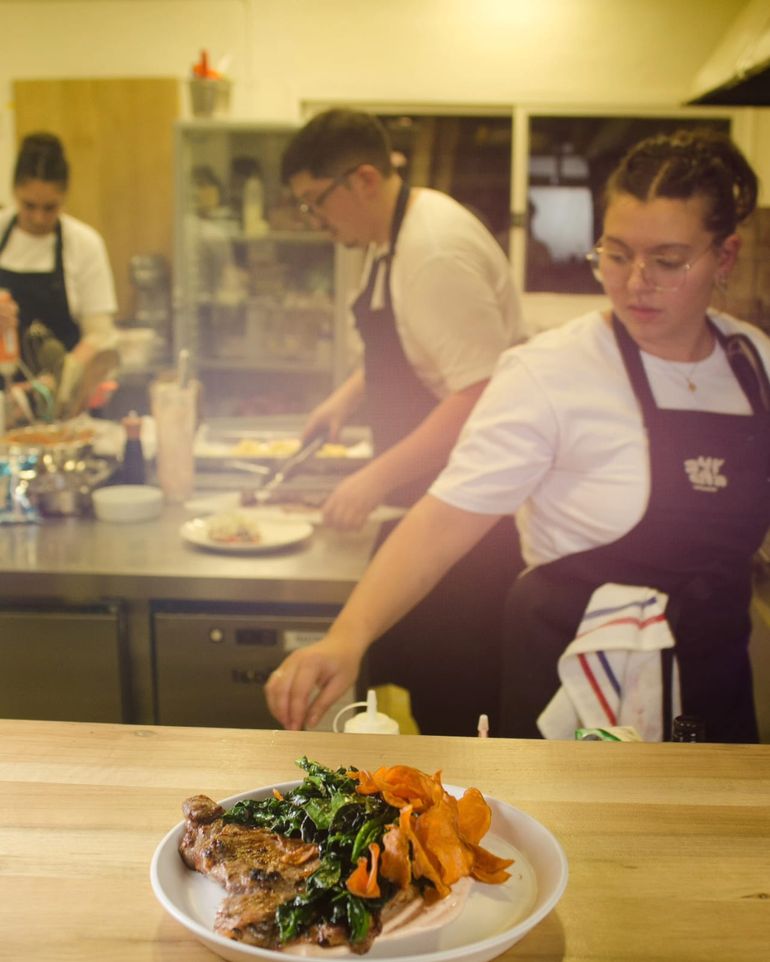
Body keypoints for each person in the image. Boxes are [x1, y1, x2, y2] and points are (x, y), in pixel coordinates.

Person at [266, 127, 768, 744]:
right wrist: (347, 637)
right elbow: (444, 520)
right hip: (578, 707)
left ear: (724, 257)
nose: (637, 281)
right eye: (616, 254)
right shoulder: (551, 371)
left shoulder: (754, 365)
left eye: (667, 261)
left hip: (713, 689)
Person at [277, 109, 525, 735]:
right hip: (420, 506)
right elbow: (418, 351)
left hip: (467, 531)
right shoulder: (392, 236)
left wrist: (374, 478)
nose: (315, 220)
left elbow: (480, 393)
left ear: (363, 179)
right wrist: (344, 399)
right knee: (411, 694)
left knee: (455, 710)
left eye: (316, 202)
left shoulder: (433, 252)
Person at [0, 132, 118, 412]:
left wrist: (62, 377)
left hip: (66, 406)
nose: (39, 217)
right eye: (29, 206)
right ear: (14, 191)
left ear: (64, 197)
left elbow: (100, 334)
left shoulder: (84, 244)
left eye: (49, 207)